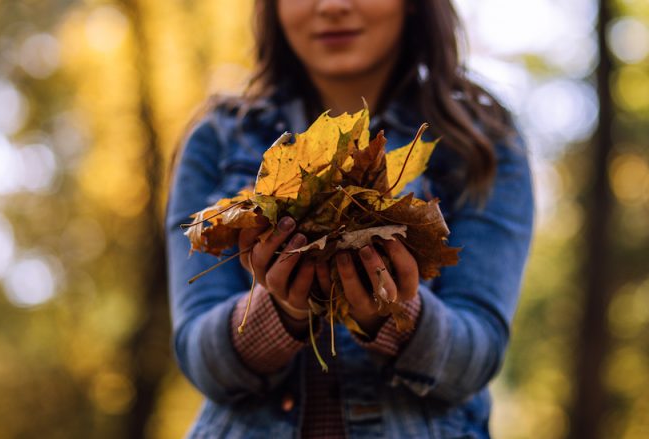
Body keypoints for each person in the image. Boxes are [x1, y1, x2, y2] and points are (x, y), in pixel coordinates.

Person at [165, 0, 534, 437]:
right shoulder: (217, 140)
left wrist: (394, 313)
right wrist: (280, 310)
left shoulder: (480, 142)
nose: (333, 6)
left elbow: (477, 356)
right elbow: (200, 360)